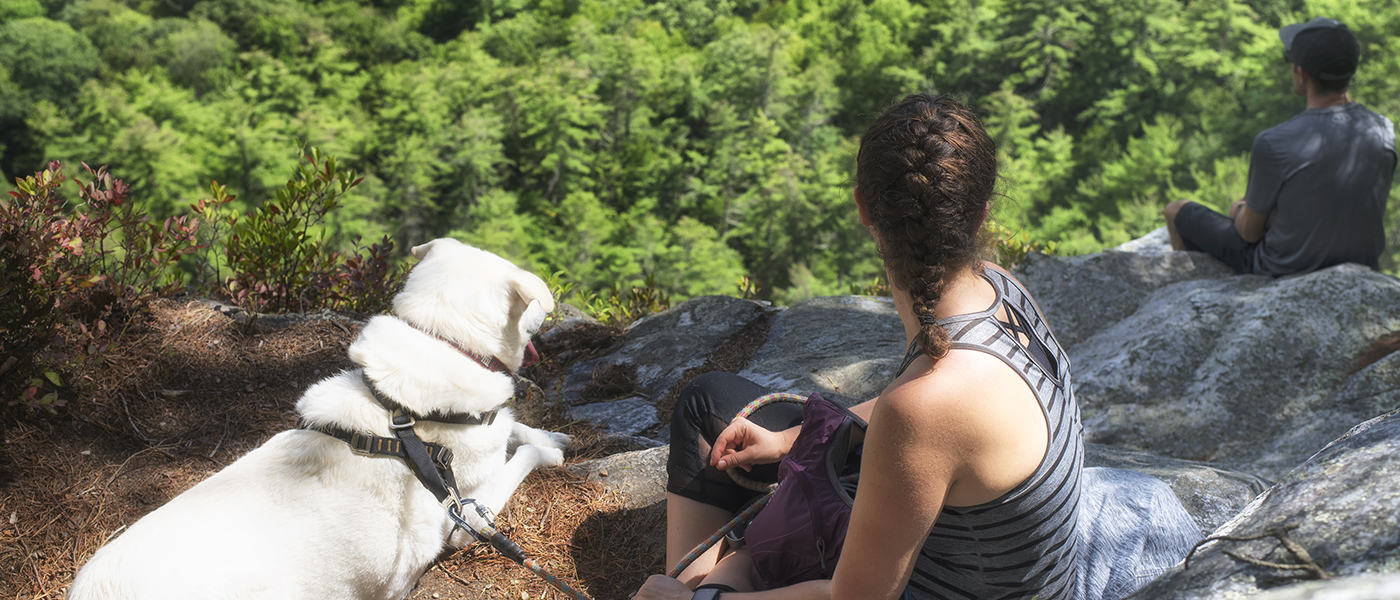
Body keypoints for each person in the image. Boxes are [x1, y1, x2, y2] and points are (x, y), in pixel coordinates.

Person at [636, 94, 1085, 600]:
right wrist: (790, 440)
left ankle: (697, 583)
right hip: (999, 562)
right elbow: (935, 421)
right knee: (709, 400)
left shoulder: (924, 410)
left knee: (715, 555)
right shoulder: (1005, 292)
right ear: (980, 215)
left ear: (863, 208)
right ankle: (715, 574)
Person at [1164, 17, 1397, 276]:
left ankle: (1185, 297)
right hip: (1361, 264)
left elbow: (1249, 233)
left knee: (1175, 210)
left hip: (1283, 268)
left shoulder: (1274, 142)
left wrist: (1240, 210)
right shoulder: (1382, 129)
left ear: (1302, 74)